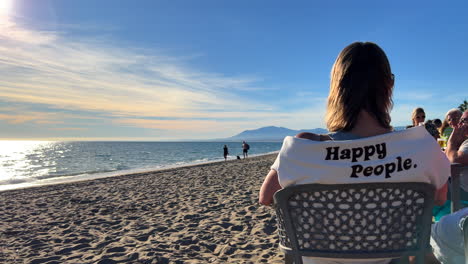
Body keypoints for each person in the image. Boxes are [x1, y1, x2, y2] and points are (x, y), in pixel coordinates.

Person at [259, 42, 450, 264]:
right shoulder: (422, 146)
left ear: (336, 88)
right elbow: (438, 199)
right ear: (389, 85)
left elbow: (266, 197)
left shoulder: (301, 148)